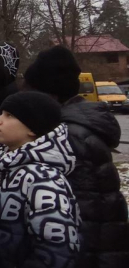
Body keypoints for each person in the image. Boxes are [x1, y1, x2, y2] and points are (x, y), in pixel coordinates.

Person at [24, 45, 129, 268]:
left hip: (86, 252)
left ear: (49, 94)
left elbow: (83, 207)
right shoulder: (78, 127)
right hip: (101, 244)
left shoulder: (68, 136)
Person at [0, 91, 80, 268]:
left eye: (9, 115)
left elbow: (56, 251)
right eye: (1, 113)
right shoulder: (3, 167)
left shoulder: (42, 179)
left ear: (32, 127)